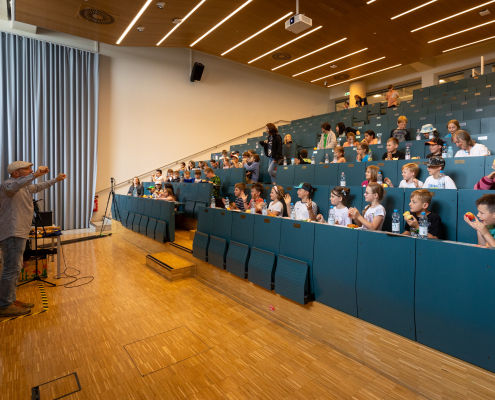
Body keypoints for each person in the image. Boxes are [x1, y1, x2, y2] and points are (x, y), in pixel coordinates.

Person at [0, 162, 67, 317]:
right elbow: (15, 186)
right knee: (11, 269)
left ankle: (10, 300)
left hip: (19, 232)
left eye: (31, 169)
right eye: (27, 169)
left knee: (15, 269)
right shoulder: (8, 185)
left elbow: (38, 187)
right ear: (16, 173)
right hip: (12, 232)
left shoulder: (22, 186)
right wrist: (35, 174)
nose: (31, 170)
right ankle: (4, 305)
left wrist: (56, 179)